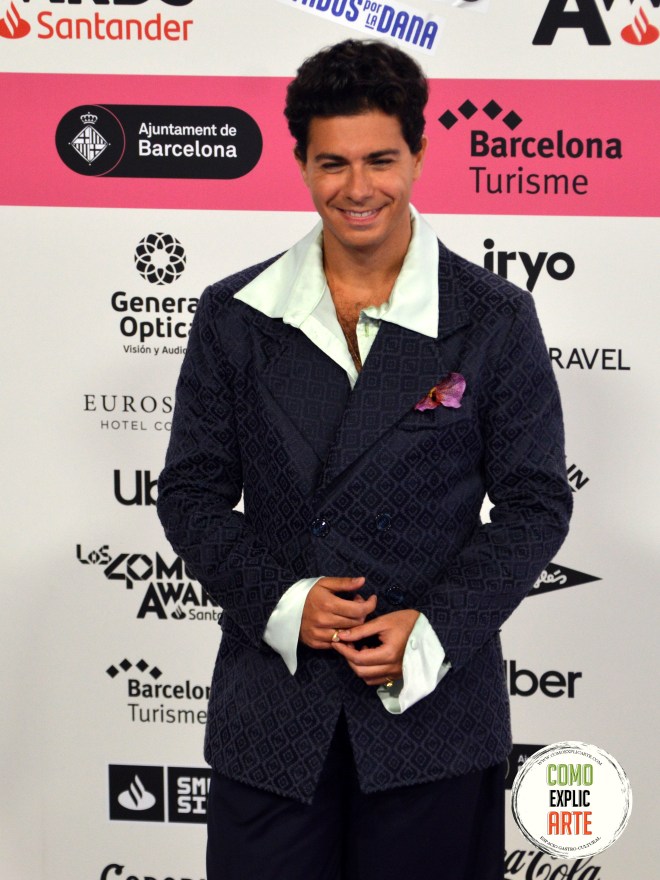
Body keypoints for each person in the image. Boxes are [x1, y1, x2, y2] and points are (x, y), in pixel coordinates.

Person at [157, 39, 572, 880]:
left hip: (433, 715)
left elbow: (535, 504)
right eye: (333, 163)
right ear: (301, 164)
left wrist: (436, 628)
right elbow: (191, 492)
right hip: (274, 715)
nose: (357, 188)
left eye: (380, 160)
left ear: (418, 155)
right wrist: (284, 602)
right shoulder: (235, 314)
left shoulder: (493, 316)